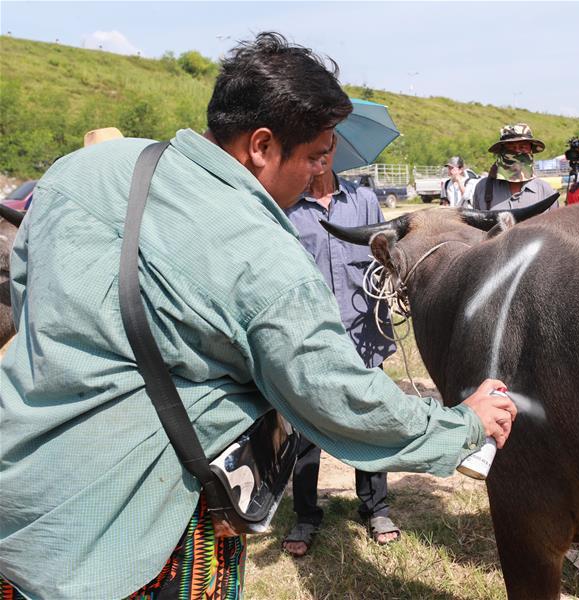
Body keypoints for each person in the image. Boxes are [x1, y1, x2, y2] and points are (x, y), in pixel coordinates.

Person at [0, 32, 516, 600]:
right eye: (318, 157)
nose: (321, 172)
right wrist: (463, 424)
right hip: (132, 542)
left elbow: (30, 301)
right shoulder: (263, 254)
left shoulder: (81, 173)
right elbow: (337, 397)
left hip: (18, 501)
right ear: (262, 146)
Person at [282, 141, 400, 557]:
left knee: (370, 420)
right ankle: (305, 515)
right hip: (312, 336)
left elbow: (388, 256)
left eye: (326, 148)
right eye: (310, 149)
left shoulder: (364, 199)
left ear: (335, 153)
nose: (320, 157)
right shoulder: (288, 210)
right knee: (307, 428)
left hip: (364, 331)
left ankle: (376, 508)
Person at [471, 123, 559, 211]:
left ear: (530, 150)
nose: (517, 152)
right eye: (511, 147)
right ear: (501, 151)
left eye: (522, 147)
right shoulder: (483, 188)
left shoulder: (545, 191)